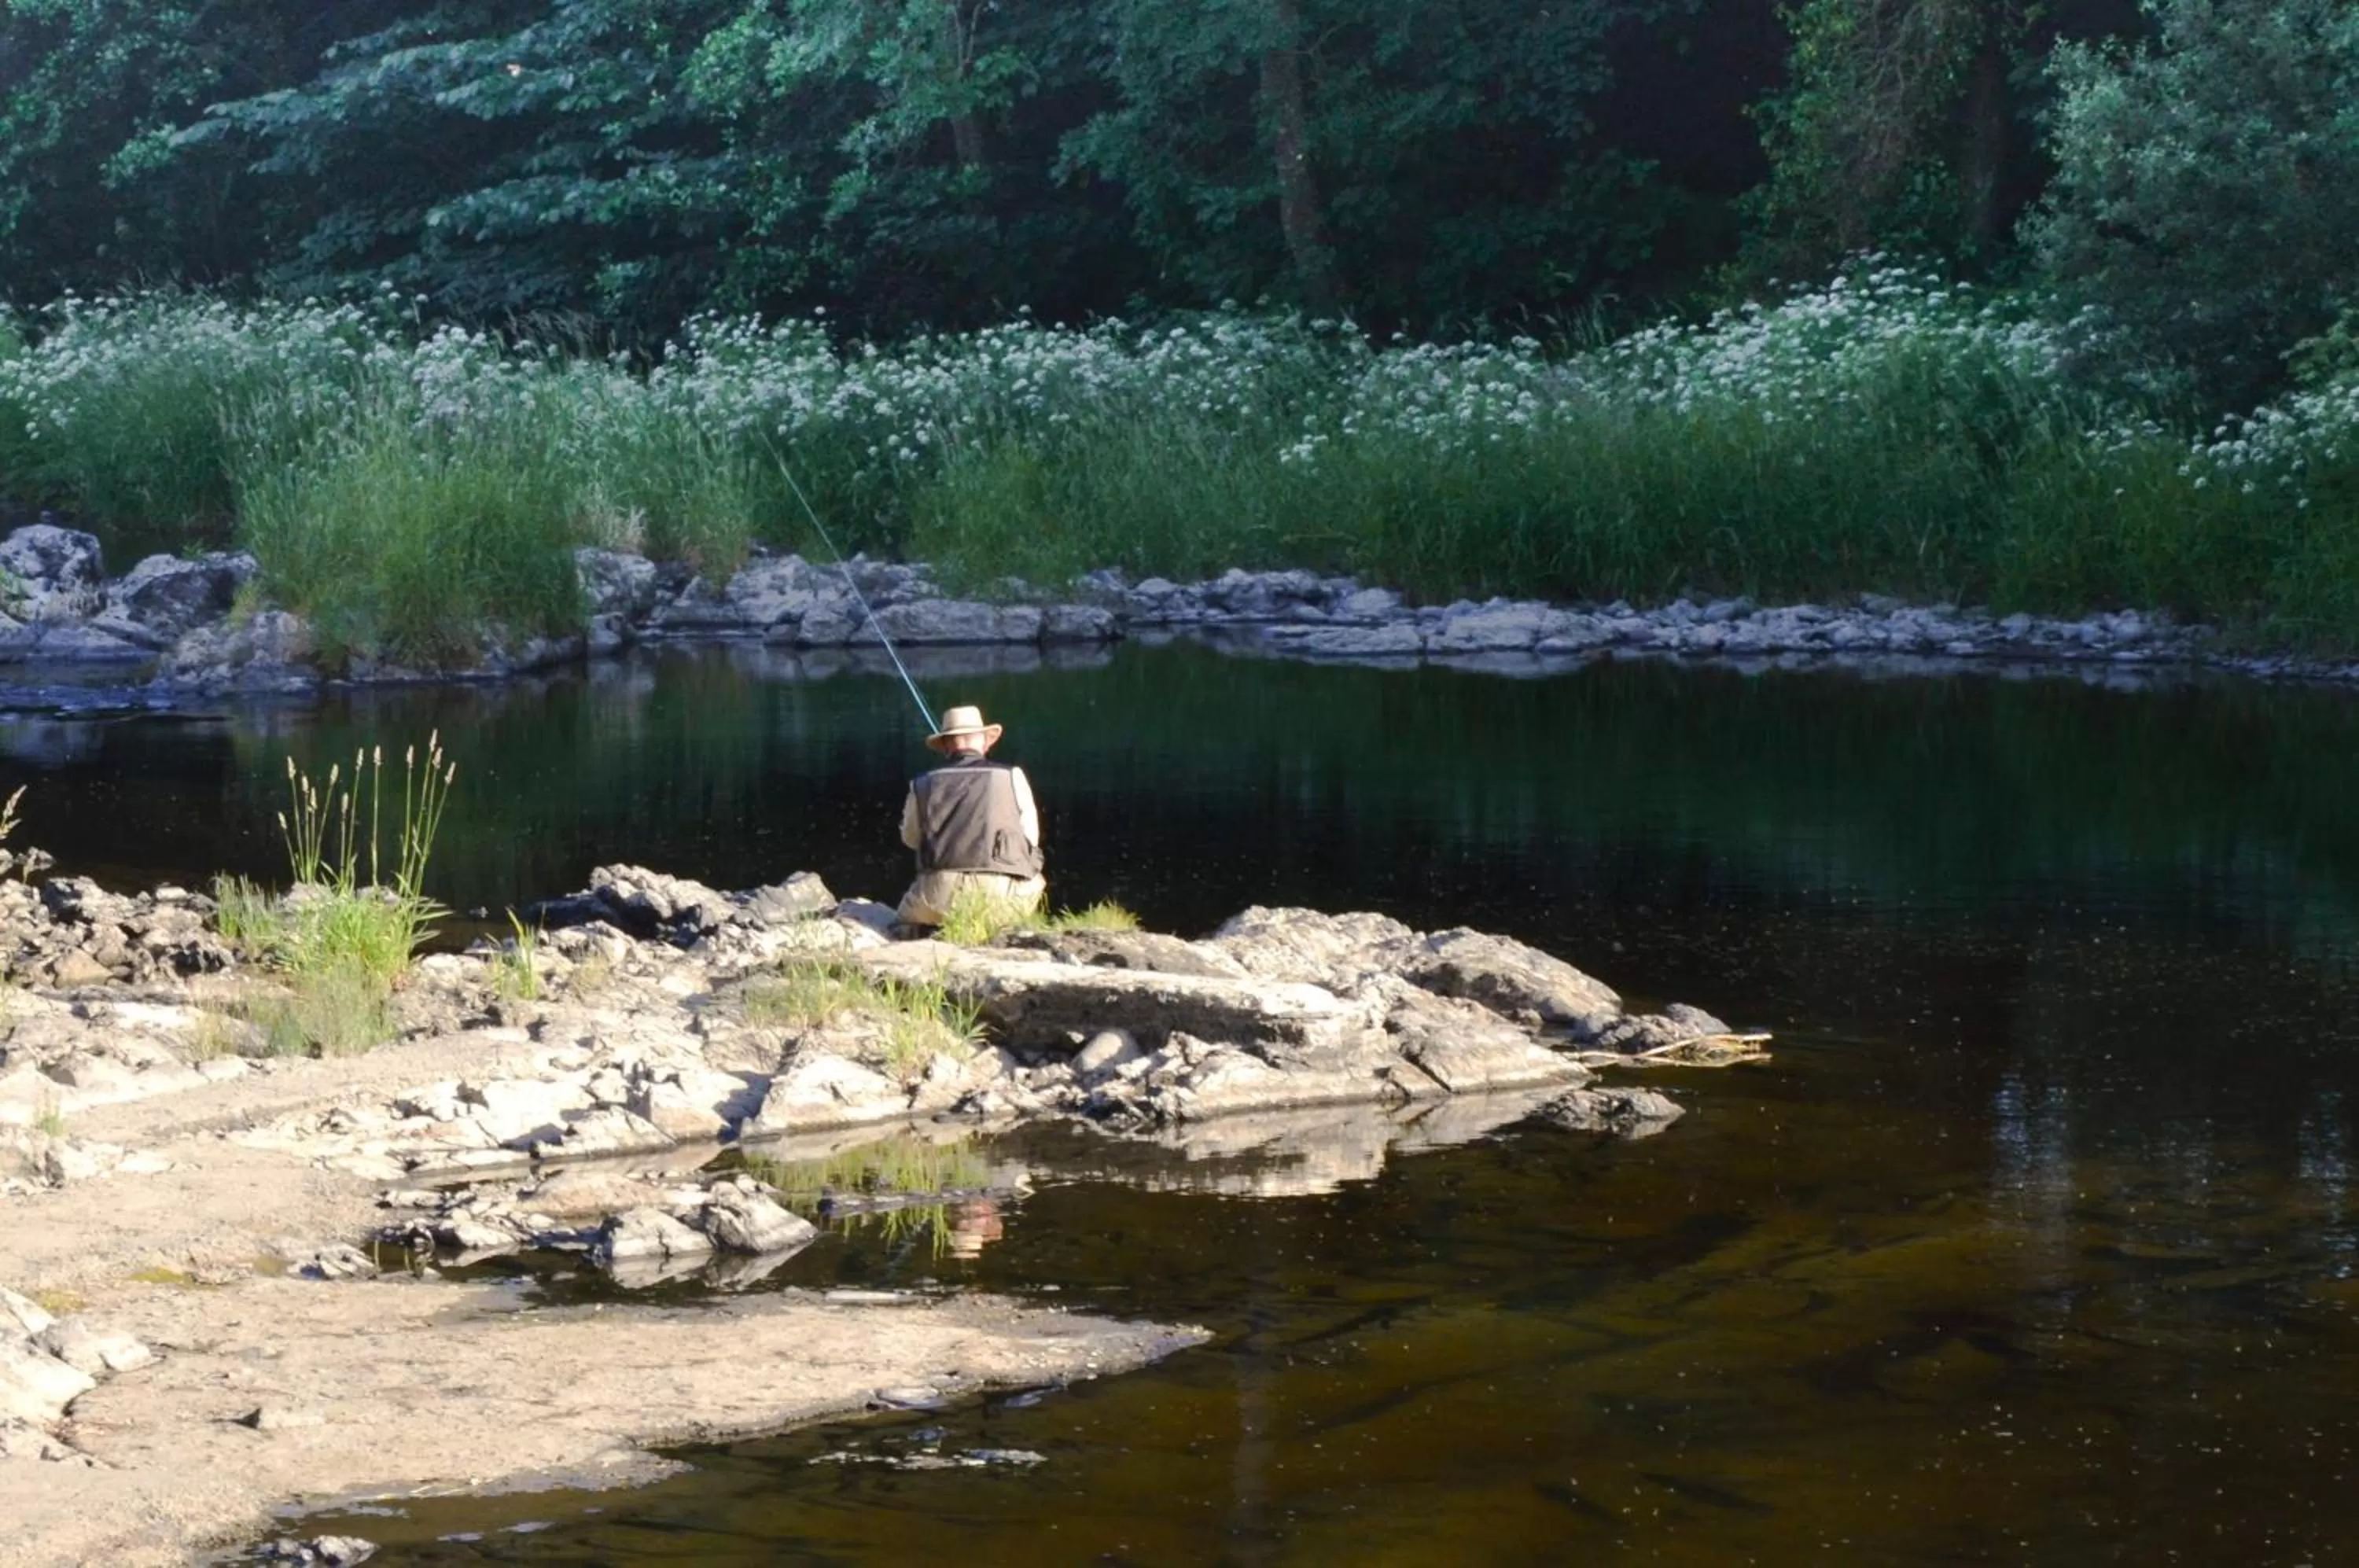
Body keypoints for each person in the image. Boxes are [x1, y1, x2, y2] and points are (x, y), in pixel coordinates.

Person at [896, 704, 1045, 929]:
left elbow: (911, 839)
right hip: (1002, 901)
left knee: (907, 913)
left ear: (945, 745)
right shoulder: (1013, 776)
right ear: (985, 741)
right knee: (1037, 880)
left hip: (936, 901)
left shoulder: (921, 784)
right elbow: (1030, 840)